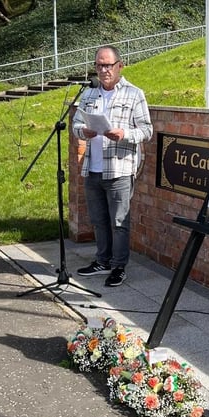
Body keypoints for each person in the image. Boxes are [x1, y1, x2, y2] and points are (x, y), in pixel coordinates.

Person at [72, 45, 153, 287]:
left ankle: (118, 266)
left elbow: (147, 130)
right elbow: (76, 124)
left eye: (107, 65)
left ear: (120, 65)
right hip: (93, 168)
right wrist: (83, 131)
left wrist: (124, 134)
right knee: (98, 220)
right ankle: (102, 261)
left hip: (119, 169)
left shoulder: (134, 94)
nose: (103, 70)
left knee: (119, 222)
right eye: (99, 65)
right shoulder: (89, 95)